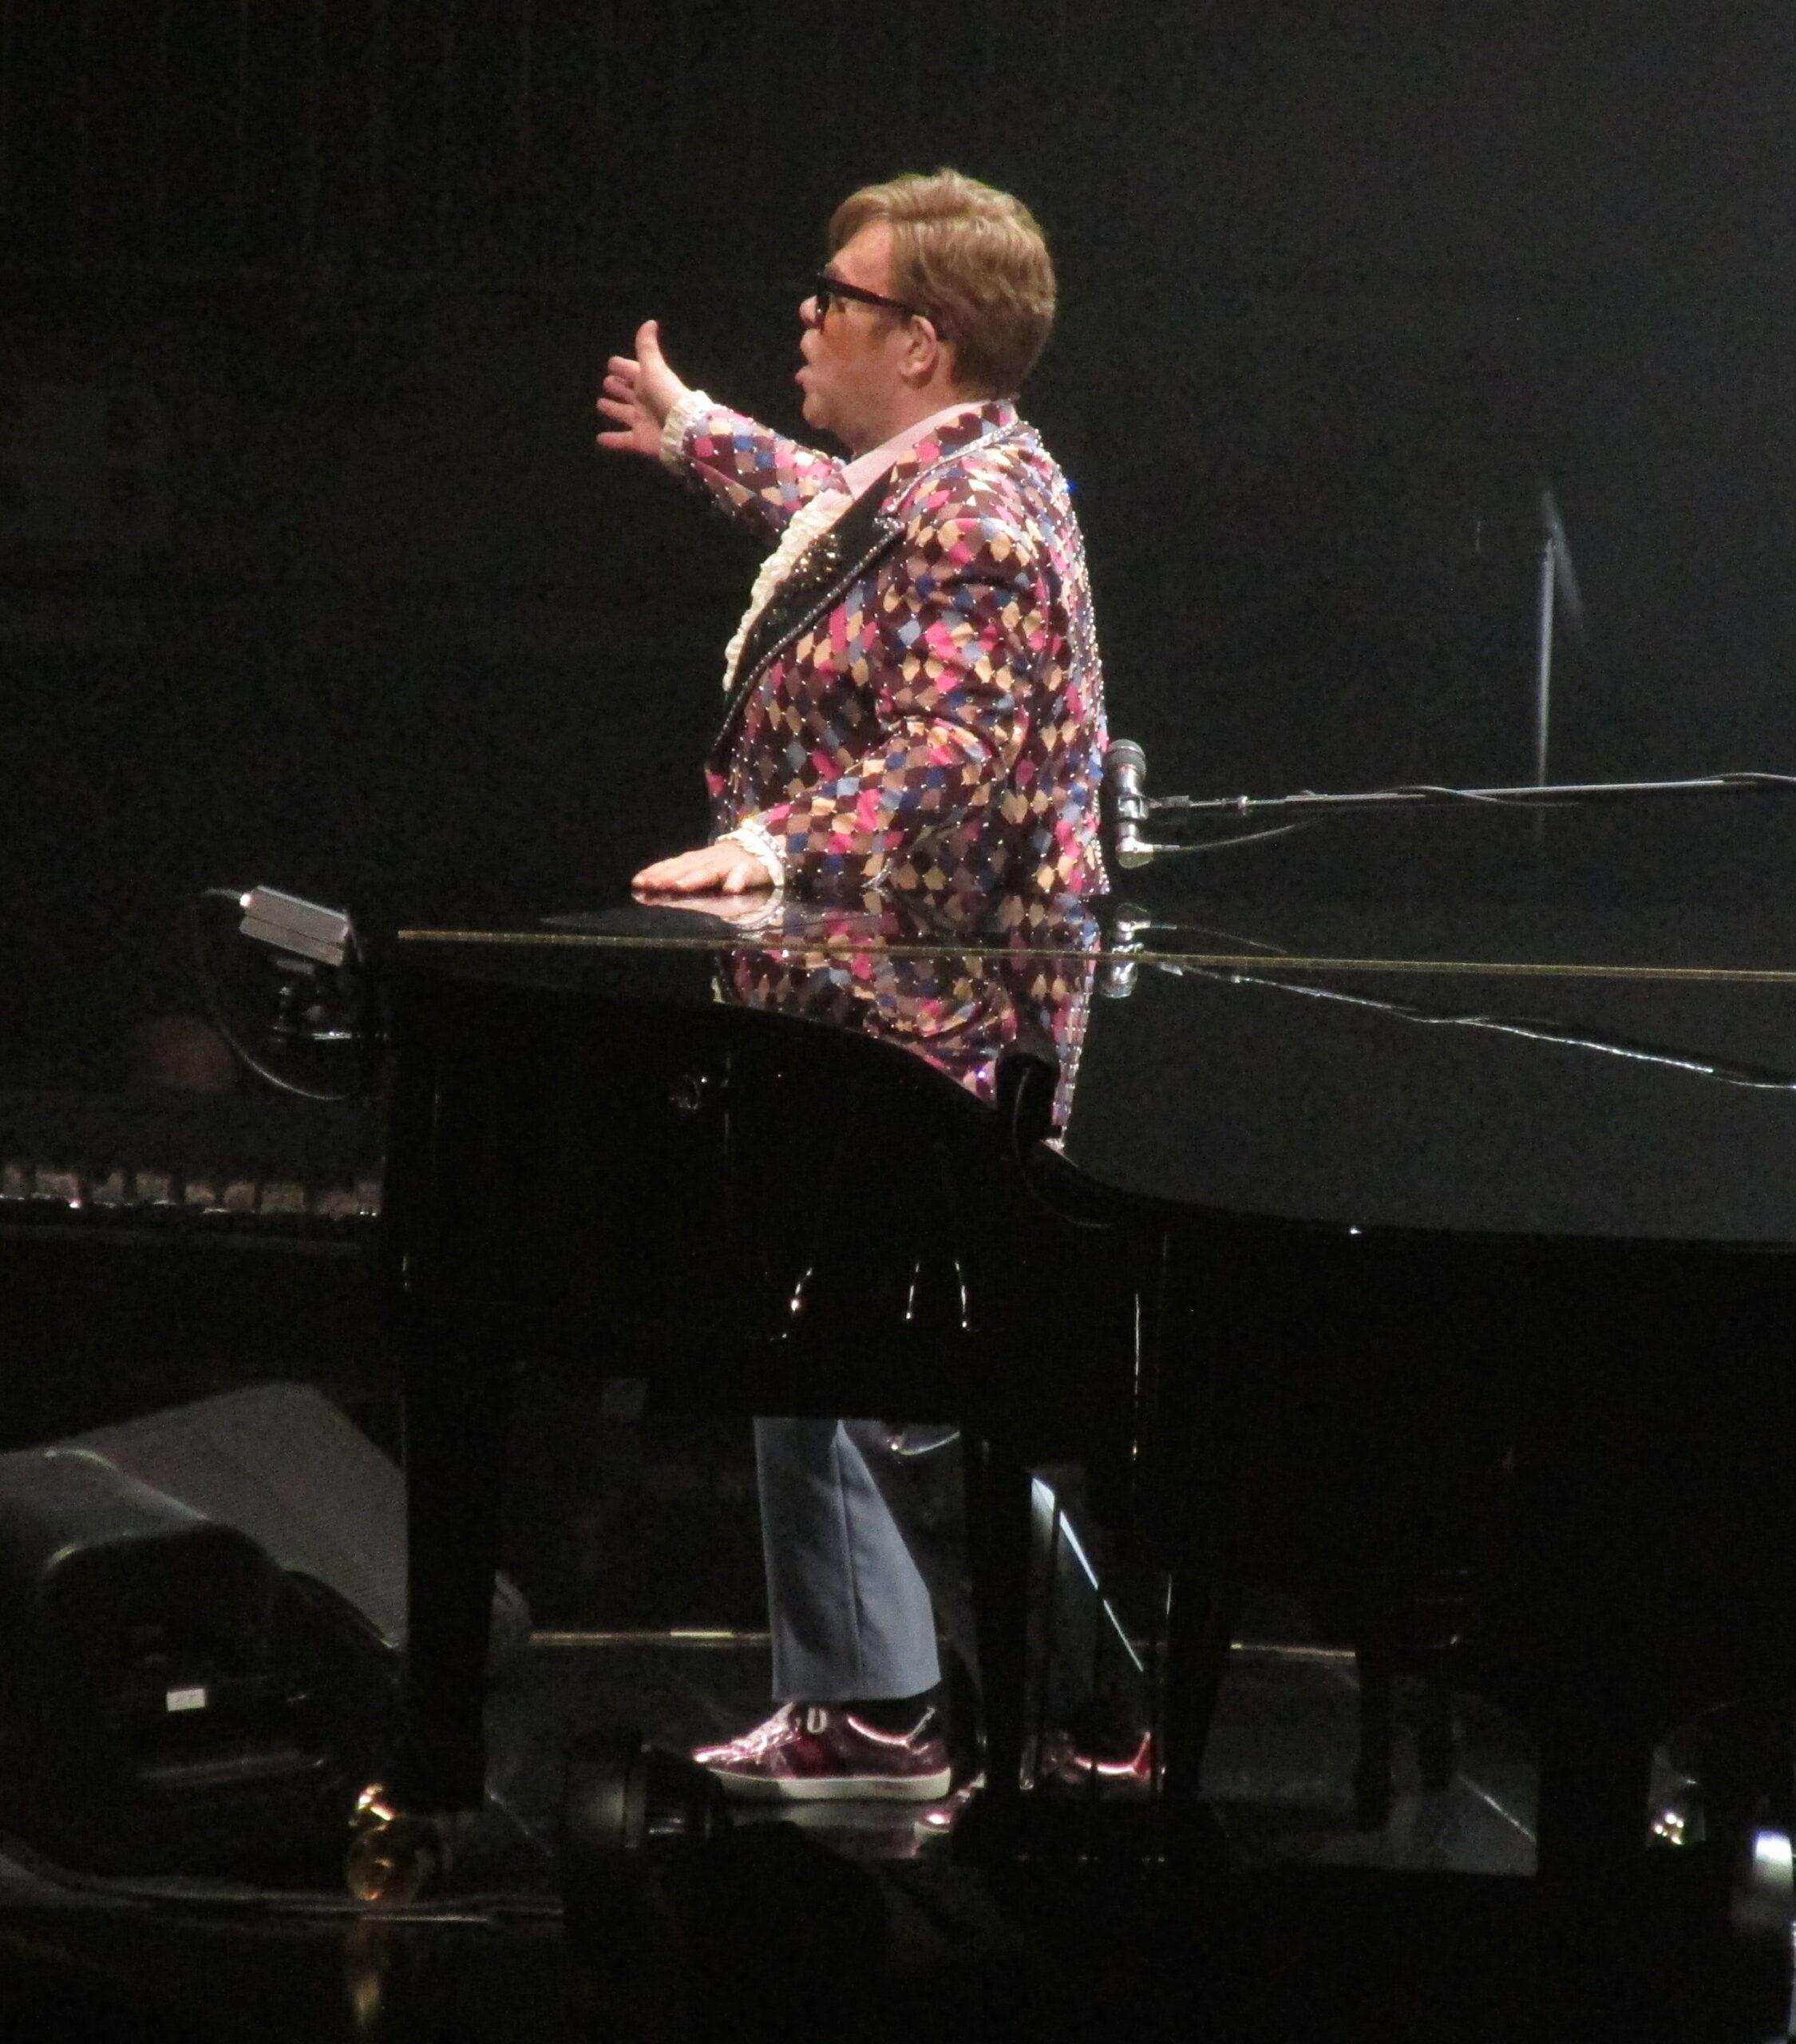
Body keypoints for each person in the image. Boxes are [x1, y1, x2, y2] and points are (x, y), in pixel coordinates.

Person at [595, 168, 1109, 1798]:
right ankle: (873, 1702)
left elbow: (949, 754)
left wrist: (777, 846)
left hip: (943, 1025)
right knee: (824, 1354)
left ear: (927, 338)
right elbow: (835, 514)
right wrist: (698, 431)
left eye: (838, 297)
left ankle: (1093, 1716)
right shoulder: (944, 480)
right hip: (865, 1011)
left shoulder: (988, 515)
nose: (807, 315)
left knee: (907, 1392)